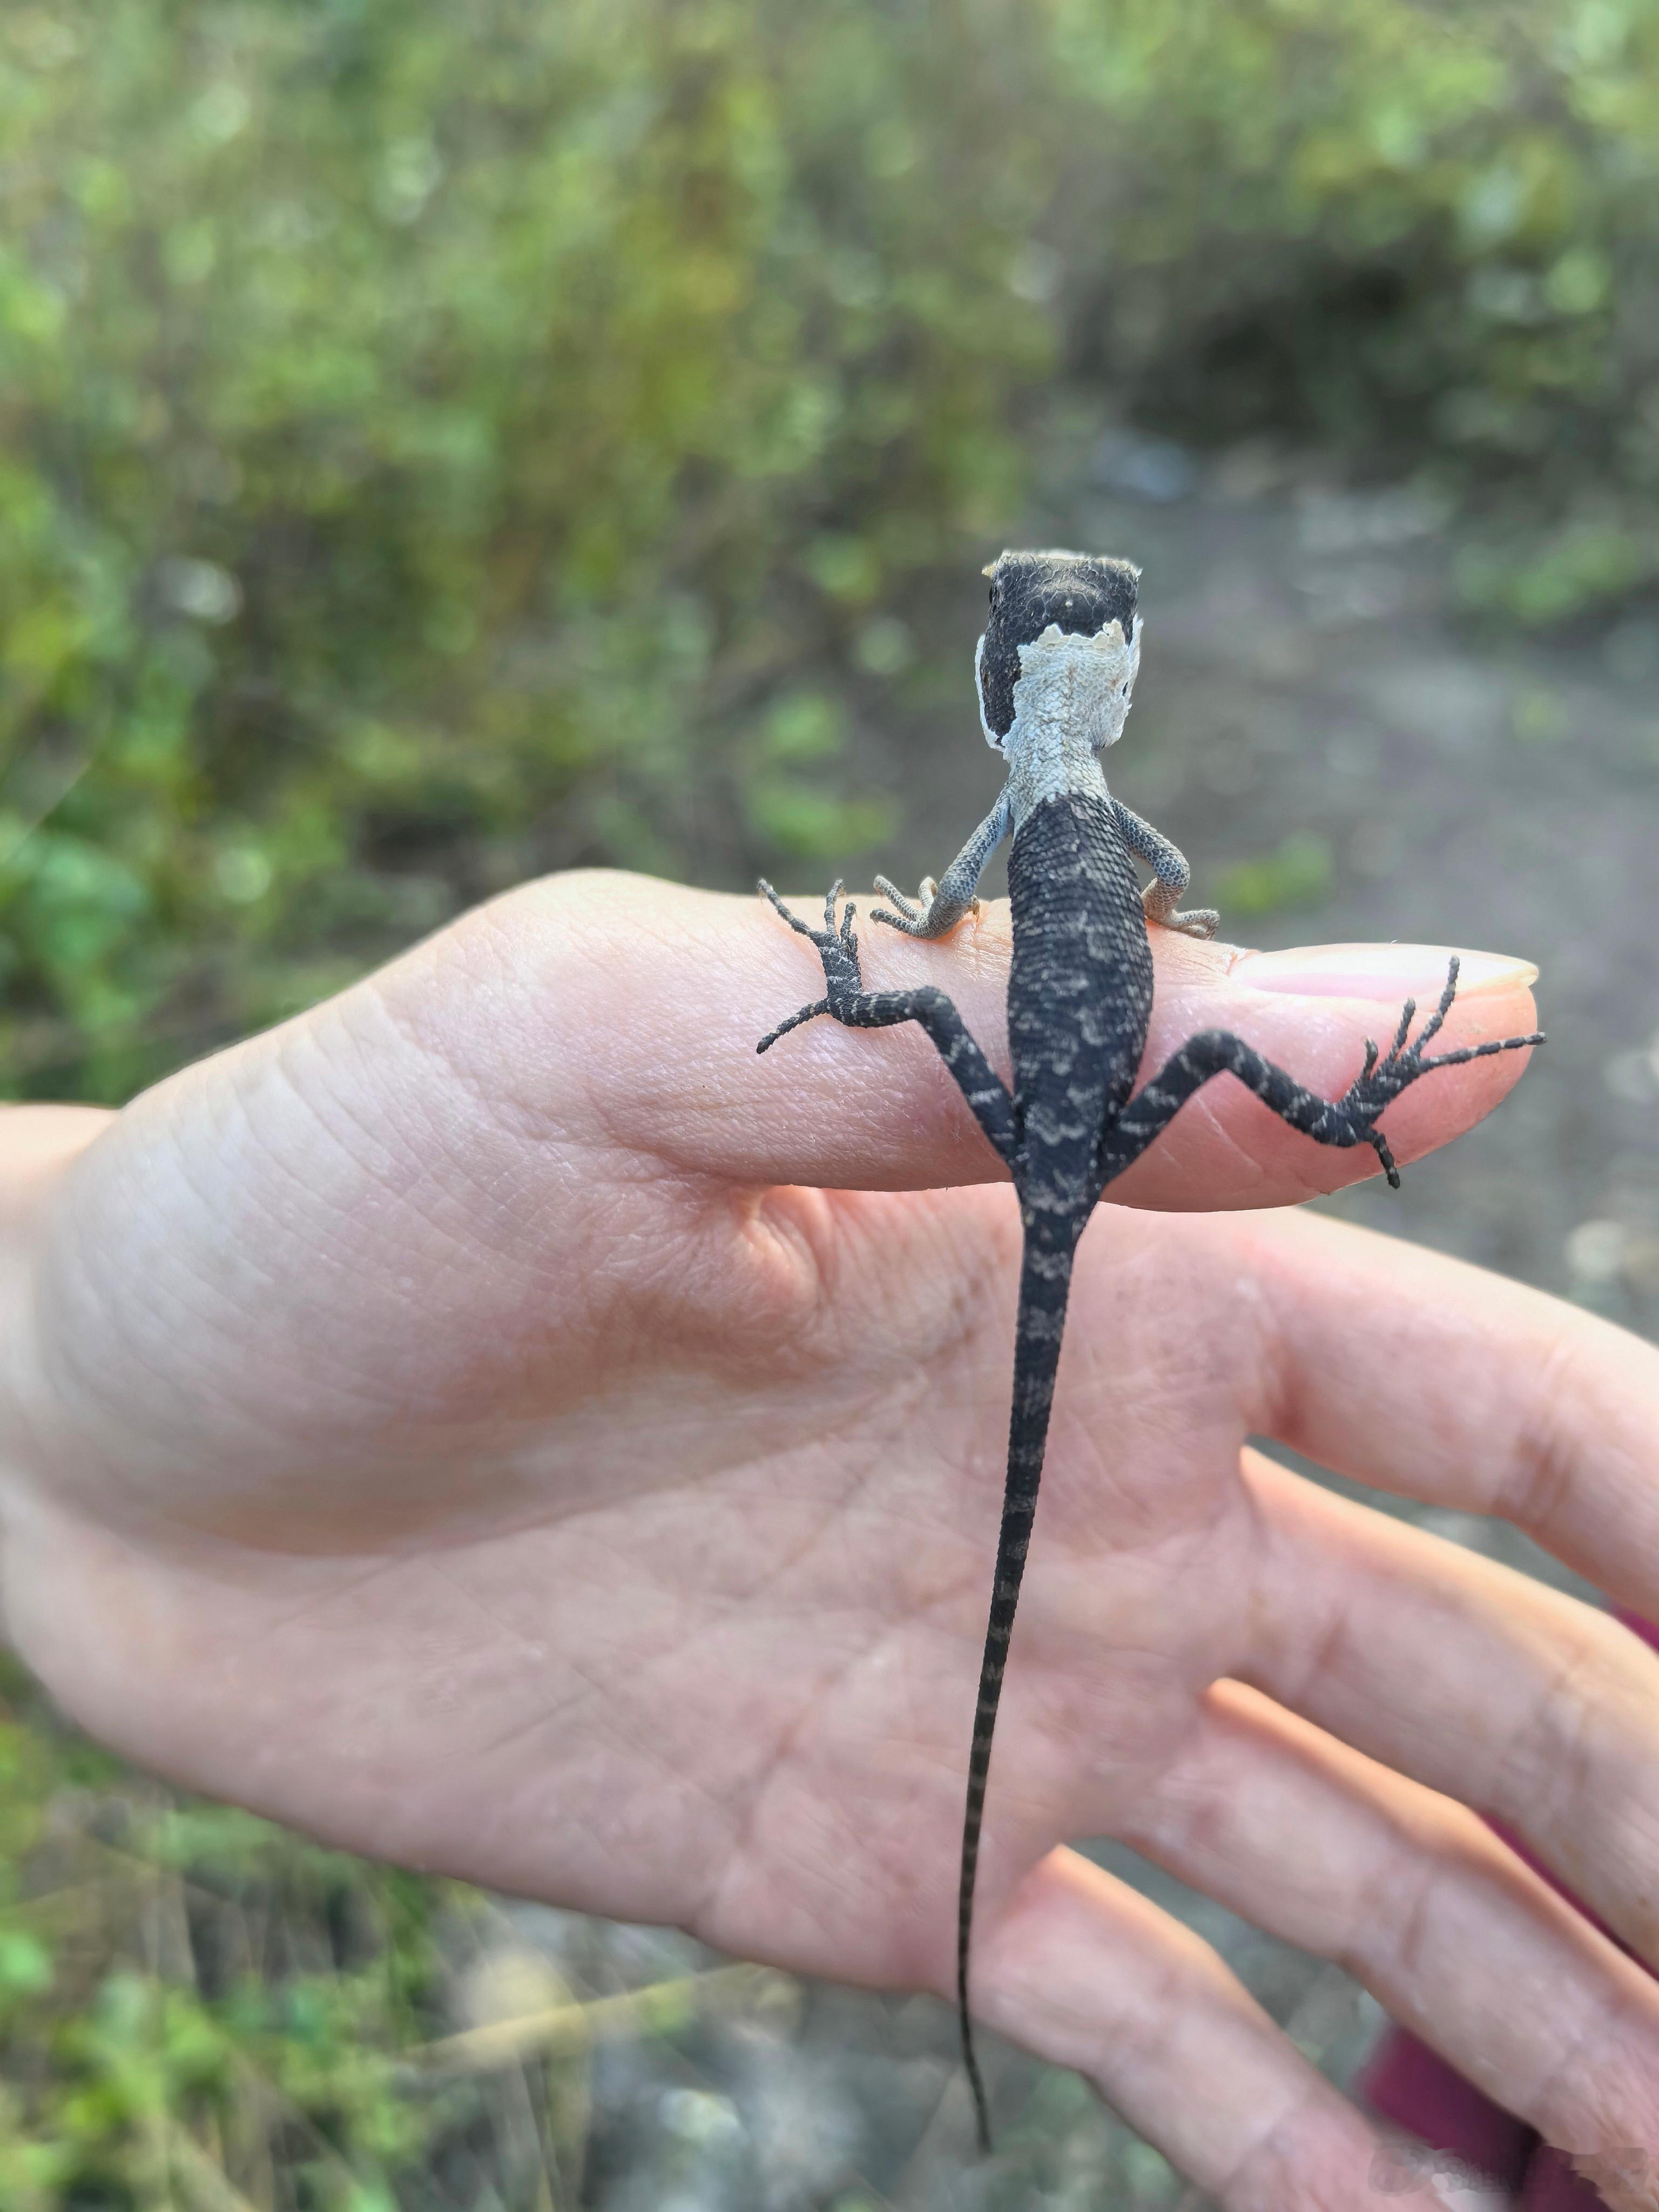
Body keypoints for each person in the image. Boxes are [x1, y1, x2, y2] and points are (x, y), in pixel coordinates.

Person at [0, 869, 1655, 2210]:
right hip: (1064, 1143)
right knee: (1180, 1055)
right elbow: (1009, 927)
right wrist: (55, 1388)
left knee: (1109, 1040)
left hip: (1045, 1141)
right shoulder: (1070, 824)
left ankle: (1350, 1094)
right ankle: (1355, 1095)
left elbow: (962, 939)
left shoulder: (1066, 829)